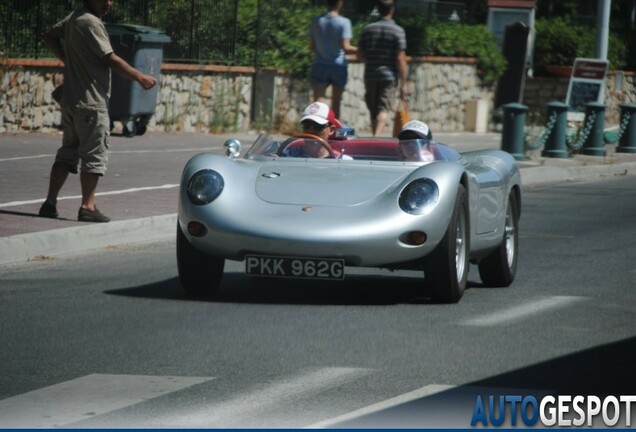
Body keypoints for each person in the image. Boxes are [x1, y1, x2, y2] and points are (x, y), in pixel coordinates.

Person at [38, 0, 157, 223]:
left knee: (67, 152)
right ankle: (88, 206)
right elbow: (110, 58)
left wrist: (67, 58)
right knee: (94, 156)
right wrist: (139, 77)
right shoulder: (92, 23)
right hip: (91, 102)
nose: (109, 3)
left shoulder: (74, 17)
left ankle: (49, 202)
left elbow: (49, 35)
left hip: (71, 101)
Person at [357, 0, 408, 137]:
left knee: (374, 111)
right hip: (389, 76)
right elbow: (400, 59)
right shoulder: (398, 31)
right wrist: (404, 84)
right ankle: (375, 139)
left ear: (378, 10)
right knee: (383, 109)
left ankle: (375, 136)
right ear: (392, 10)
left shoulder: (368, 29)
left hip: (370, 74)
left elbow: (359, 55)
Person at [308, 0, 357, 119]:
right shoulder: (344, 22)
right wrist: (361, 50)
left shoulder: (317, 21)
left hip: (320, 64)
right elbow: (346, 46)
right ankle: (334, 133)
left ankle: (316, 130)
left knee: (318, 103)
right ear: (340, 3)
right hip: (338, 65)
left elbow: (312, 46)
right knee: (336, 103)